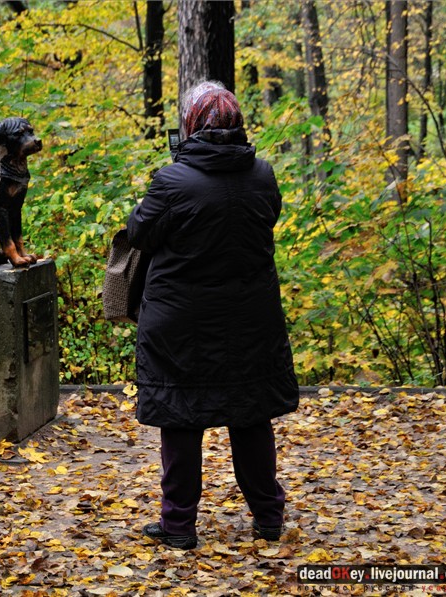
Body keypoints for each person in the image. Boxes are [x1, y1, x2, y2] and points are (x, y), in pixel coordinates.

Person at [126, 80, 299, 550]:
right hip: (251, 321)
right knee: (251, 415)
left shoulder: (170, 181)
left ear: (190, 125)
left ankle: (179, 527)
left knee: (181, 420)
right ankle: (268, 517)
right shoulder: (263, 174)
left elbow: (139, 233)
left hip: (180, 325)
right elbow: (267, 218)